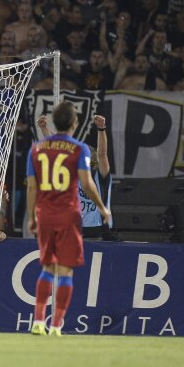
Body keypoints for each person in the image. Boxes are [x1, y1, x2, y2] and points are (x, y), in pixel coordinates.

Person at [24, 101, 111, 337]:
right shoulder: (80, 149)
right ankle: (56, 325)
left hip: (45, 214)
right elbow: (87, 183)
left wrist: (32, 216)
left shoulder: (36, 149)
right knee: (65, 271)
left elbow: (32, 186)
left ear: (55, 121)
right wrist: (102, 207)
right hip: (68, 216)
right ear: (75, 123)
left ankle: (38, 320)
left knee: (47, 268)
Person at [38, 113, 111, 239]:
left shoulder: (99, 176)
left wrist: (101, 129)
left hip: (95, 231)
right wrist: (44, 128)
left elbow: (102, 154)